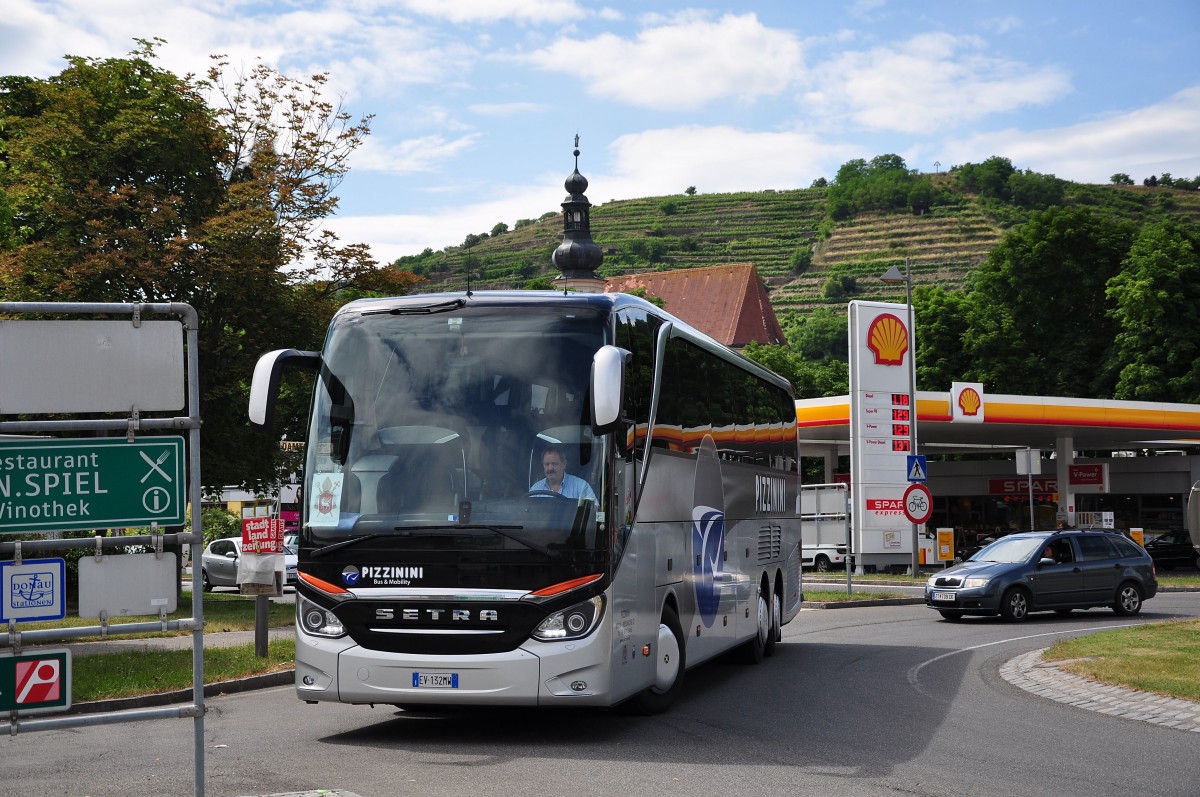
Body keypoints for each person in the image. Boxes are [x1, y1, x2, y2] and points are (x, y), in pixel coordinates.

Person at [530, 444, 597, 501]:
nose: (550, 468)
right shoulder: (535, 489)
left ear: (564, 464)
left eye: (554, 464)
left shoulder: (581, 487)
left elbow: (593, 512)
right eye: (546, 464)